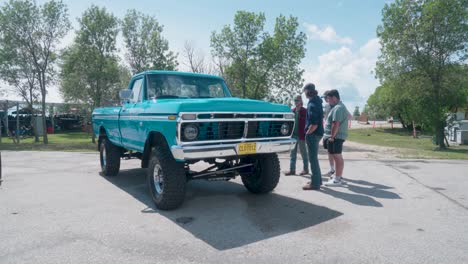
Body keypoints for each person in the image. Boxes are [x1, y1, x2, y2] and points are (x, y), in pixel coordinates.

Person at [323, 89, 349, 186]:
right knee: (337, 156)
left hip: (336, 137)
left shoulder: (338, 108)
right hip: (337, 136)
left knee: (337, 157)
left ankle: (337, 179)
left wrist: (332, 136)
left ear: (334, 98)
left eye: (329, 99)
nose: (328, 101)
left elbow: (335, 123)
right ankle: (338, 177)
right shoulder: (339, 107)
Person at [302, 83, 324, 191]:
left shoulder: (312, 104)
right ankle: (318, 180)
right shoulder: (318, 100)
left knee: (312, 159)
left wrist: (307, 133)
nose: (304, 94)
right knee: (314, 158)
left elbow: (314, 123)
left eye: (304, 91)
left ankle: (315, 184)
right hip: (319, 133)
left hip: (313, 134)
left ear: (307, 91)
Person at [284, 95, 308, 176]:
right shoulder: (292, 111)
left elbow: (308, 123)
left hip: (302, 136)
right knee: (292, 154)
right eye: (295, 100)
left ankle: (306, 169)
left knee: (304, 153)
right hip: (293, 136)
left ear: (301, 101)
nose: (296, 102)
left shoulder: (305, 111)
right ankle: (292, 170)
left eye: (297, 100)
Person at [322, 90, 335, 177]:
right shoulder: (326, 106)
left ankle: (337, 172)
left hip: (333, 132)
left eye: (326, 98)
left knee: (335, 153)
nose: (325, 99)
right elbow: (324, 116)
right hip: (326, 132)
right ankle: (332, 169)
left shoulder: (336, 106)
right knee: (329, 152)